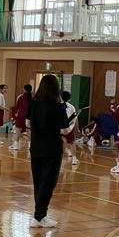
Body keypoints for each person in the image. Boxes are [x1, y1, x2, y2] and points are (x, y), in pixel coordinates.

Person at [26, 74, 70, 228]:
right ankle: (38, 216)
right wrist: (70, 125)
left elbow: (28, 123)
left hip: (36, 147)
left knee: (38, 182)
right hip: (52, 149)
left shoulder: (33, 103)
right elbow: (65, 130)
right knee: (48, 182)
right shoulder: (58, 106)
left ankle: (41, 215)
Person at [9, 84, 32, 151]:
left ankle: (15, 145)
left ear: (24, 89)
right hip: (28, 117)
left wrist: (15, 114)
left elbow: (17, 106)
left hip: (21, 116)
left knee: (17, 131)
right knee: (29, 132)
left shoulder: (21, 97)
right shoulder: (32, 98)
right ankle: (30, 146)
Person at [60, 91, 79, 166]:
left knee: (61, 142)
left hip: (59, 128)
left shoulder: (57, 105)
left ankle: (60, 158)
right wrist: (77, 128)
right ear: (69, 98)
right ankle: (74, 159)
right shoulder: (72, 107)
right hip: (68, 128)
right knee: (72, 142)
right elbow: (75, 119)